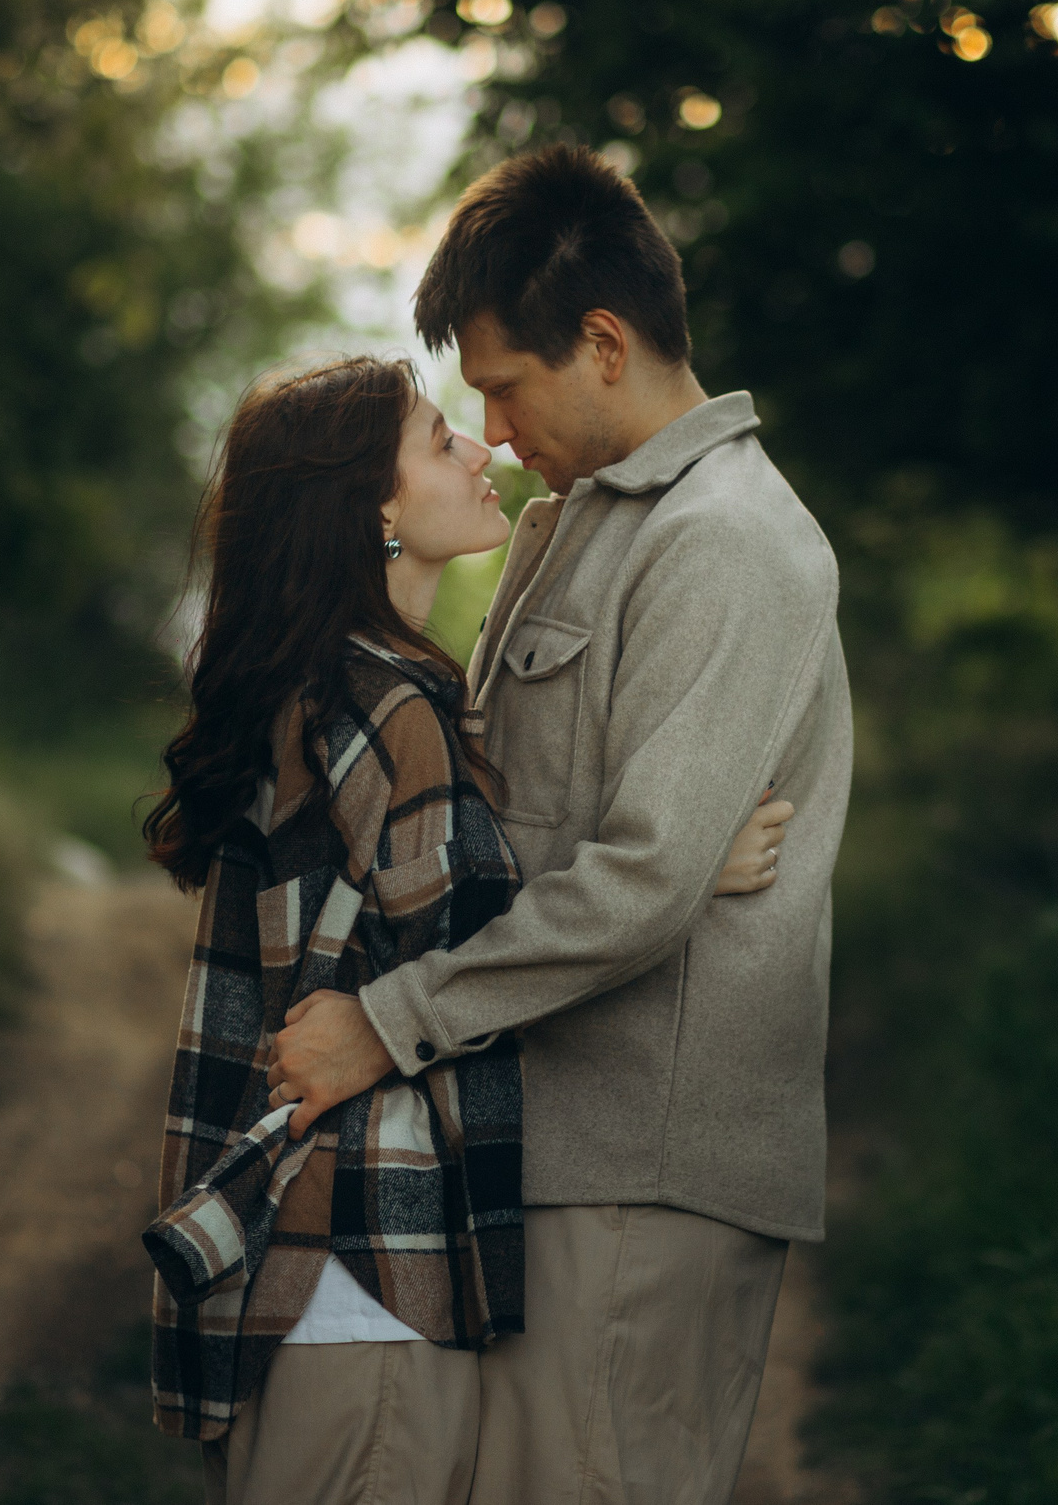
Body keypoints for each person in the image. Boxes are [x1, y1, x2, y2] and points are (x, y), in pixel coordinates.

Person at [268, 143, 854, 1505]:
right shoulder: (573, 523)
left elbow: (637, 879)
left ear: (601, 342)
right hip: (553, 1148)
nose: (497, 428)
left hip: (644, 1171)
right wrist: (674, 865)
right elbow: (519, 822)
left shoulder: (728, 541)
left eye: (505, 387)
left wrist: (389, 1018)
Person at [140, 353, 795, 1505]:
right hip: (364, 1269)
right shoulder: (387, 704)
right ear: (375, 506)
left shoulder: (320, 688)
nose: (480, 446)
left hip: (297, 1278)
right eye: (438, 437)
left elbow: (417, 921)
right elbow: (479, 950)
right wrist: (681, 874)